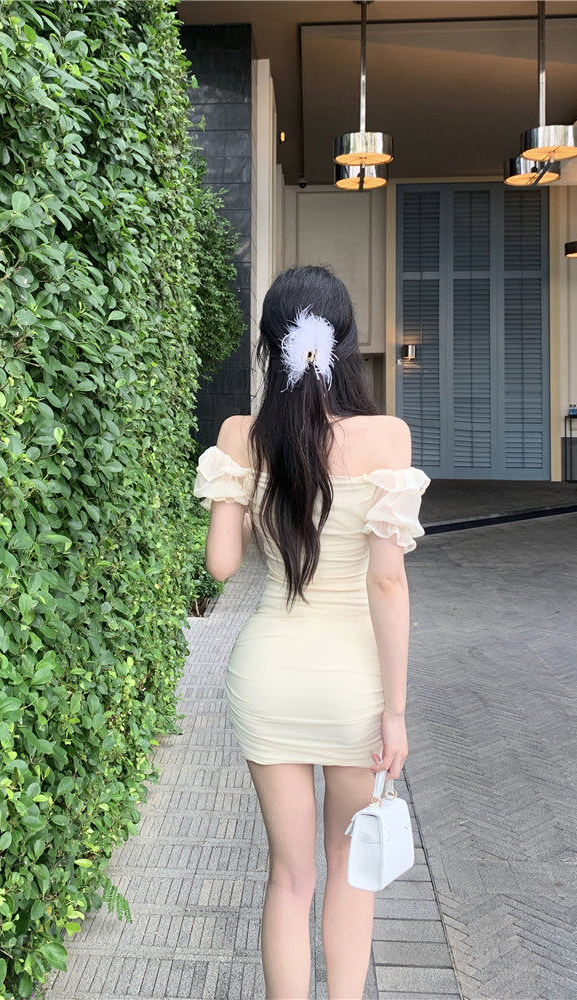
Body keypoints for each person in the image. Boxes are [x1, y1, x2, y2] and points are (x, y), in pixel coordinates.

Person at [192, 264, 430, 1000]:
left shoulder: (242, 436)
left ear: (271, 348)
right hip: (353, 685)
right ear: (345, 345)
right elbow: (387, 583)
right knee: (349, 872)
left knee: (289, 879)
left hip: (268, 675)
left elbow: (221, 565)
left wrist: (244, 491)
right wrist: (396, 713)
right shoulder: (387, 437)